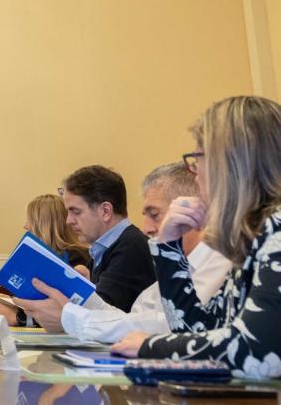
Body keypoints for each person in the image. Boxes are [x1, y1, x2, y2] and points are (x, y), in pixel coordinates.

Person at [112, 96, 281, 379]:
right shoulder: (257, 236)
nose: (195, 172)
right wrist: (168, 246)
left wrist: (151, 346)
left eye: (198, 158)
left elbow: (255, 352)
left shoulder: (277, 229)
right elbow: (195, 328)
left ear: (230, 164)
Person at [52, 163, 231, 341]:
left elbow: (171, 326)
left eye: (155, 215)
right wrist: (84, 296)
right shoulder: (173, 268)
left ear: (193, 211)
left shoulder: (220, 266)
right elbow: (132, 320)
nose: (145, 229)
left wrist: (74, 318)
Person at [12, 165, 156, 330]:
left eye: (76, 212)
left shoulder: (131, 246)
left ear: (105, 211)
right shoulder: (104, 249)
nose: (68, 221)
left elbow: (99, 320)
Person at [0, 194, 89, 325]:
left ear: (44, 225)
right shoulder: (47, 260)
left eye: (30, 220)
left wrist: (18, 315)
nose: (25, 226)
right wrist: (10, 301)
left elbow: (66, 312)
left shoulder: (76, 257)